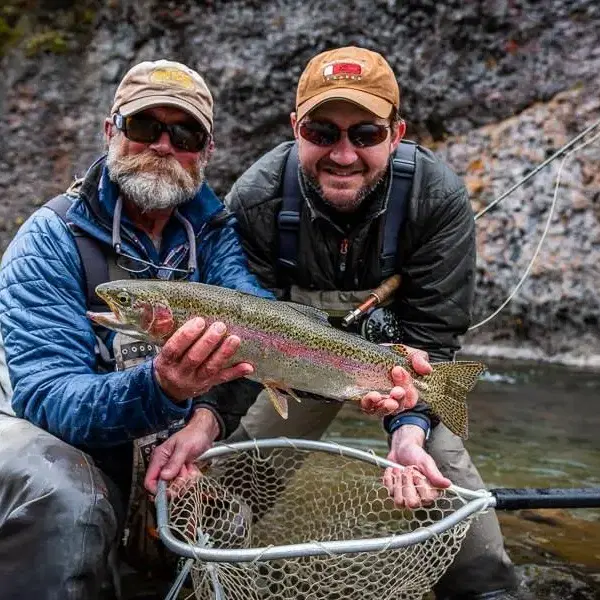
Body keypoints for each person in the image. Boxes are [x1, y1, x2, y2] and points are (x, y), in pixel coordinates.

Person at [0, 58, 424, 600]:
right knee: (67, 503)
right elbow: (46, 397)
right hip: (40, 441)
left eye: (185, 134)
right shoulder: (48, 240)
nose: (163, 146)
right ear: (111, 131)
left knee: (221, 518)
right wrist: (161, 387)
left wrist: (205, 417)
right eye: (145, 127)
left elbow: (261, 331)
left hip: (154, 435)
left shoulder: (214, 234)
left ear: (206, 151)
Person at [219, 47, 519, 599]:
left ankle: (481, 586)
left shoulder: (436, 196)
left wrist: (409, 431)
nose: (343, 153)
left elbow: (433, 335)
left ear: (396, 133)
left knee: (460, 524)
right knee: (227, 483)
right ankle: (209, 560)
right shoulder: (257, 198)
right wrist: (206, 424)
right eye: (322, 131)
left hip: (401, 369)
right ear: (295, 128)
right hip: (294, 368)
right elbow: (239, 338)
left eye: (365, 134)